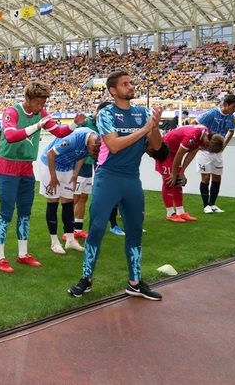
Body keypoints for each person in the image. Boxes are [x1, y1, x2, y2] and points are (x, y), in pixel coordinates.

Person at [68, 70, 164, 301]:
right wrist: (143, 130)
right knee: (98, 228)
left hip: (131, 179)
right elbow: (113, 145)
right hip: (108, 177)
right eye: (125, 84)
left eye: (131, 82)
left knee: (134, 231)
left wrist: (155, 126)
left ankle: (135, 282)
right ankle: (86, 279)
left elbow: (157, 147)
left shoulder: (142, 113)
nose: (130, 87)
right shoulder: (107, 114)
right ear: (113, 90)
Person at [0, 81, 86, 273]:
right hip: (8, 166)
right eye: (37, 103)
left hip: (26, 167)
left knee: (25, 213)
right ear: (27, 99)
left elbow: (59, 132)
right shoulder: (13, 111)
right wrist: (37, 126)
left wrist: (75, 124)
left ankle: (23, 254)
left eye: (43, 104)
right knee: (6, 213)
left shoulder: (41, 113)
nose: (41, 107)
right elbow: (10, 136)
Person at [38, 127, 100, 254]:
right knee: (53, 201)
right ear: (92, 145)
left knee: (68, 202)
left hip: (66, 166)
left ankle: (70, 240)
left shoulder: (97, 140)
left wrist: (75, 174)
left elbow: (83, 155)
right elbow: (50, 153)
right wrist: (53, 178)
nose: (92, 156)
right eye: (93, 154)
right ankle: (54, 242)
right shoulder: (72, 139)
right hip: (50, 164)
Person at [156, 125, 222, 222]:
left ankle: (180, 211)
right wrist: (174, 172)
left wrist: (181, 171)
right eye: (206, 145)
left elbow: (192, 153)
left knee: (178, 181)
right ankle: (170, 213)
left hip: (175, 152)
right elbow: (180, 153)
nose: (205, 147)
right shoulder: (192, 136)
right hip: (166, 150)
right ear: (208, 140)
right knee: (169, 180)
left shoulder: (206, 133)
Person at [194, 94, 235, 214]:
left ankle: (213, 204)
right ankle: (206, 205)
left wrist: (224, 145)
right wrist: (200, 139)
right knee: (205, 177)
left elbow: (231, 131)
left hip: (217, 152)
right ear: (226, 104)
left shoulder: (231, 117)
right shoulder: (212, 114)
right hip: (204, 151)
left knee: (217, 177)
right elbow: (194, 123)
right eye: (234, 106)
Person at [71, 101, 112, 240]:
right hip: (78, 164)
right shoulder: (85, 122)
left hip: (90, 164)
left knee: (83, 196)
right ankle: (68, 230)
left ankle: (78, 229)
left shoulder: (102, 124)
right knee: (74, 197)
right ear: (98, 111)